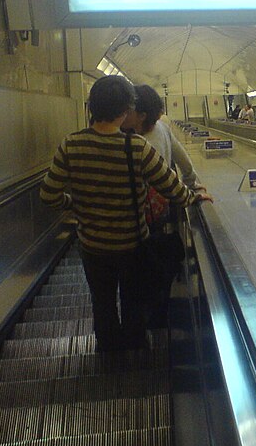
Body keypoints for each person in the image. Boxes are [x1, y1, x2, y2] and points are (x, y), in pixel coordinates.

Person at [40, 76, 209, 352]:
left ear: (91, 107)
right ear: (124, 111)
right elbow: (172, 187)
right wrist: (194, 196)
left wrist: (77, 202)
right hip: (132, 244)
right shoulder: (136, 147)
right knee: (133, 301)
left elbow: (48, 195)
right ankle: (135, 352)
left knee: (102, 302)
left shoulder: (70, 145)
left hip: (92, 245)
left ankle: (109, 354)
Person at [122, 84, 211, 327]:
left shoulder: (132, 141)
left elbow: (167, 173)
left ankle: (145, 321)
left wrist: (191, 191)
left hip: (141, 219)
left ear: (140, 114)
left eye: (128, 110)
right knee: (155, 266)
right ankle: (156, 314)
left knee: (140, 270)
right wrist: (192, 185)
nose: (124, 114)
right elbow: (183, 160)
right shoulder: (161, 128)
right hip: (158, 215)